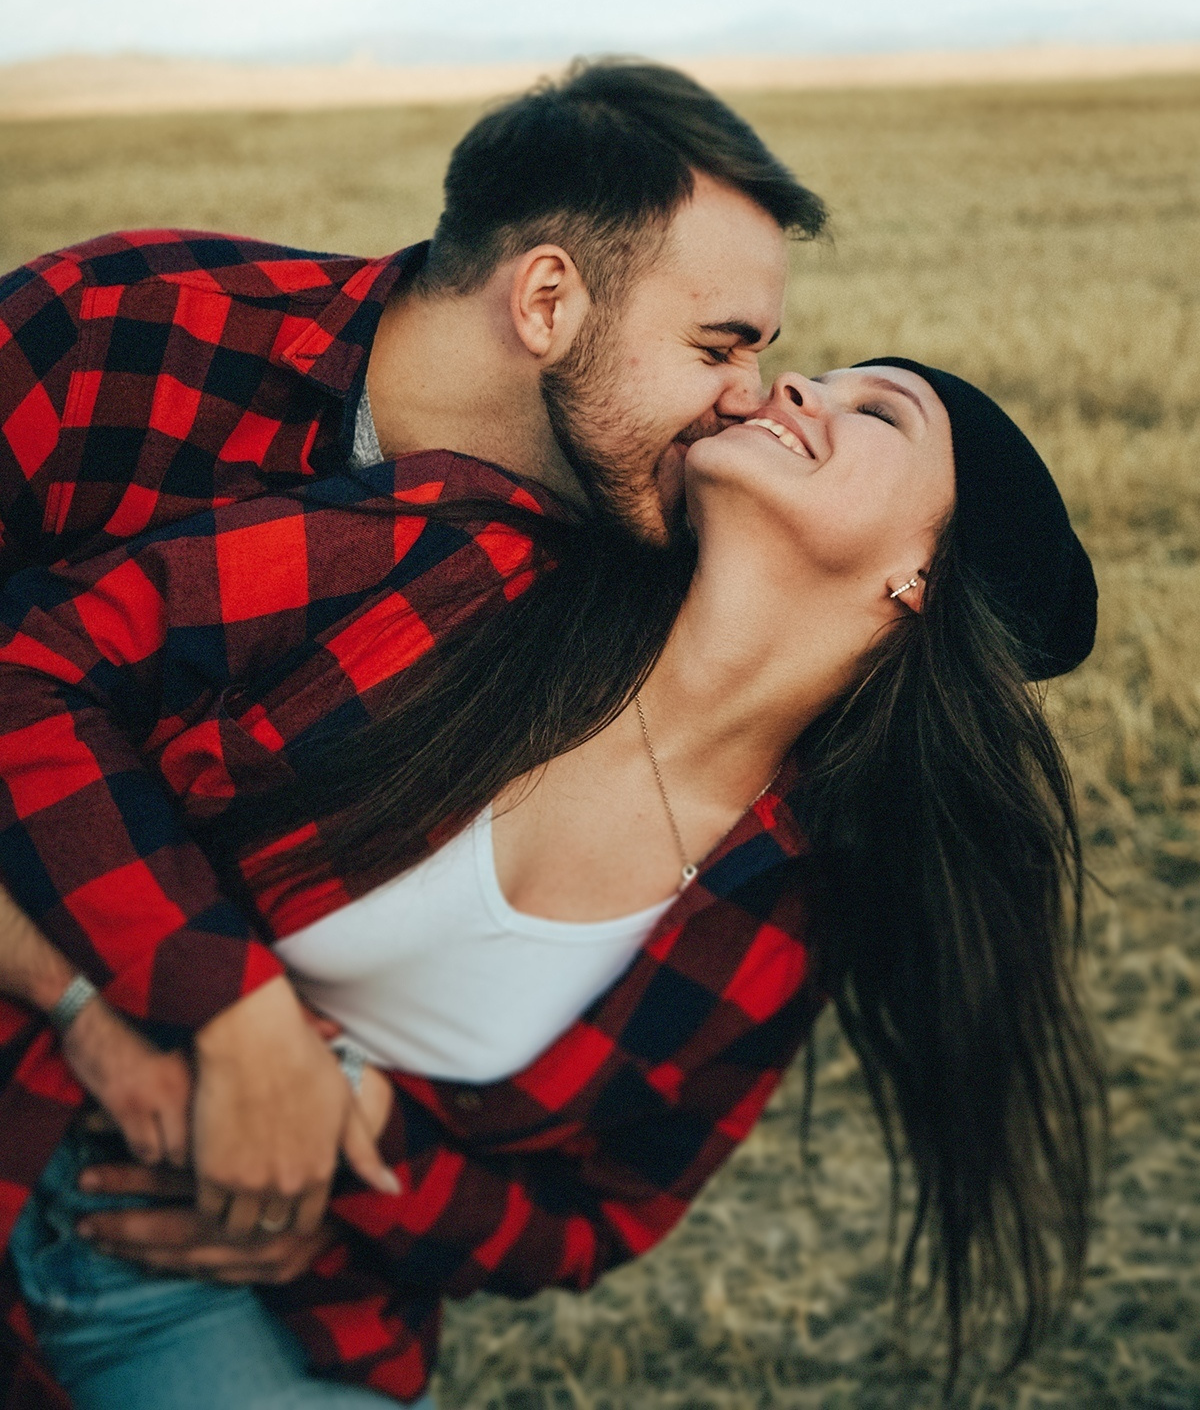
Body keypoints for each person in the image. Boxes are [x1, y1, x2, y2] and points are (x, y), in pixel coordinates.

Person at [0, 355, 1102, 1405]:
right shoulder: (462, 557)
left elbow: (593, 1221)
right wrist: (230, 1016)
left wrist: (343, 1162)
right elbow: (31, 671)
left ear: (921, 580)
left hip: (190, 1290)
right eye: (835, 373)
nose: (800, 382)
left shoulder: (790, 910)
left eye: (881, 413)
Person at [0, 58, 823, 1279]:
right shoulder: (113, 335)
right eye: (719, 347)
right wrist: (152, 1016)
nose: (746, 402)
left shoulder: (617, 571)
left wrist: (324, 1192)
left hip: (186, 1242)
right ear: (547, 301)